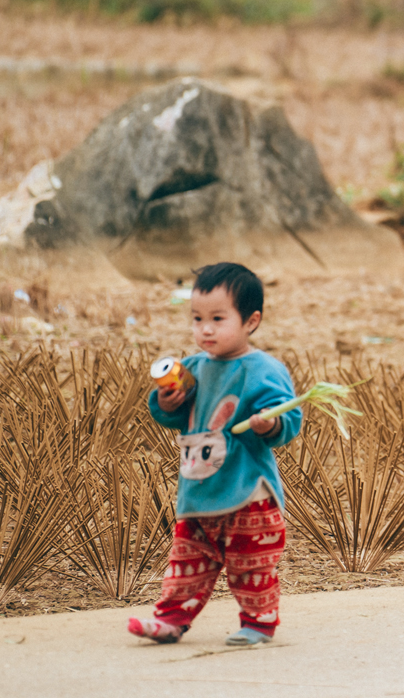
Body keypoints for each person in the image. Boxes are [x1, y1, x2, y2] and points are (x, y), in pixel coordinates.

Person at [128, 262, 303, 645]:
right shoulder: (191, 368)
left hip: (247, 492)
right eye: (197, 318)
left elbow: (288, 417)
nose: (205, 329)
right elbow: (169, 415)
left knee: (249, 564)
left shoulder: (263, 369)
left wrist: (269, 424)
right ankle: (171, 619)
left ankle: (258, 623)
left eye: (218, 319)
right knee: (186, 561)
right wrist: (166, 401)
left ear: (251, 321)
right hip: (198, 488)